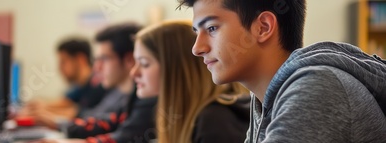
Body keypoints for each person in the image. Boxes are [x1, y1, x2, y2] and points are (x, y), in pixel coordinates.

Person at [178, 0, 386, 142]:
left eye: (212, 28)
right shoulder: (263, 100)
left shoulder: (316, 89)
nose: (197, 48)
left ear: (263, 27)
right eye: (197, 32)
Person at [32, 22, 157, 143]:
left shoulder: (147, 99)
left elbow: (122, 139)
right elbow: (103, 123)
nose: (96, 68)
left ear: (128, 59)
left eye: (145, 63)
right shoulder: (127, 96)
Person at [132, 20, 250, 143]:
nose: (133, 73)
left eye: (144, 64)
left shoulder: (215, 120)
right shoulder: (183, 115)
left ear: (177, 69)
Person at [19, 37, 108, 127]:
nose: (59, 68)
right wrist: (40, 105)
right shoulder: (81, 86)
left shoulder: (99, 85)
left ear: (81, 59)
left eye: (63, 62)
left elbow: (79, 113)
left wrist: (47, 114)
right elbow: (67, 102)